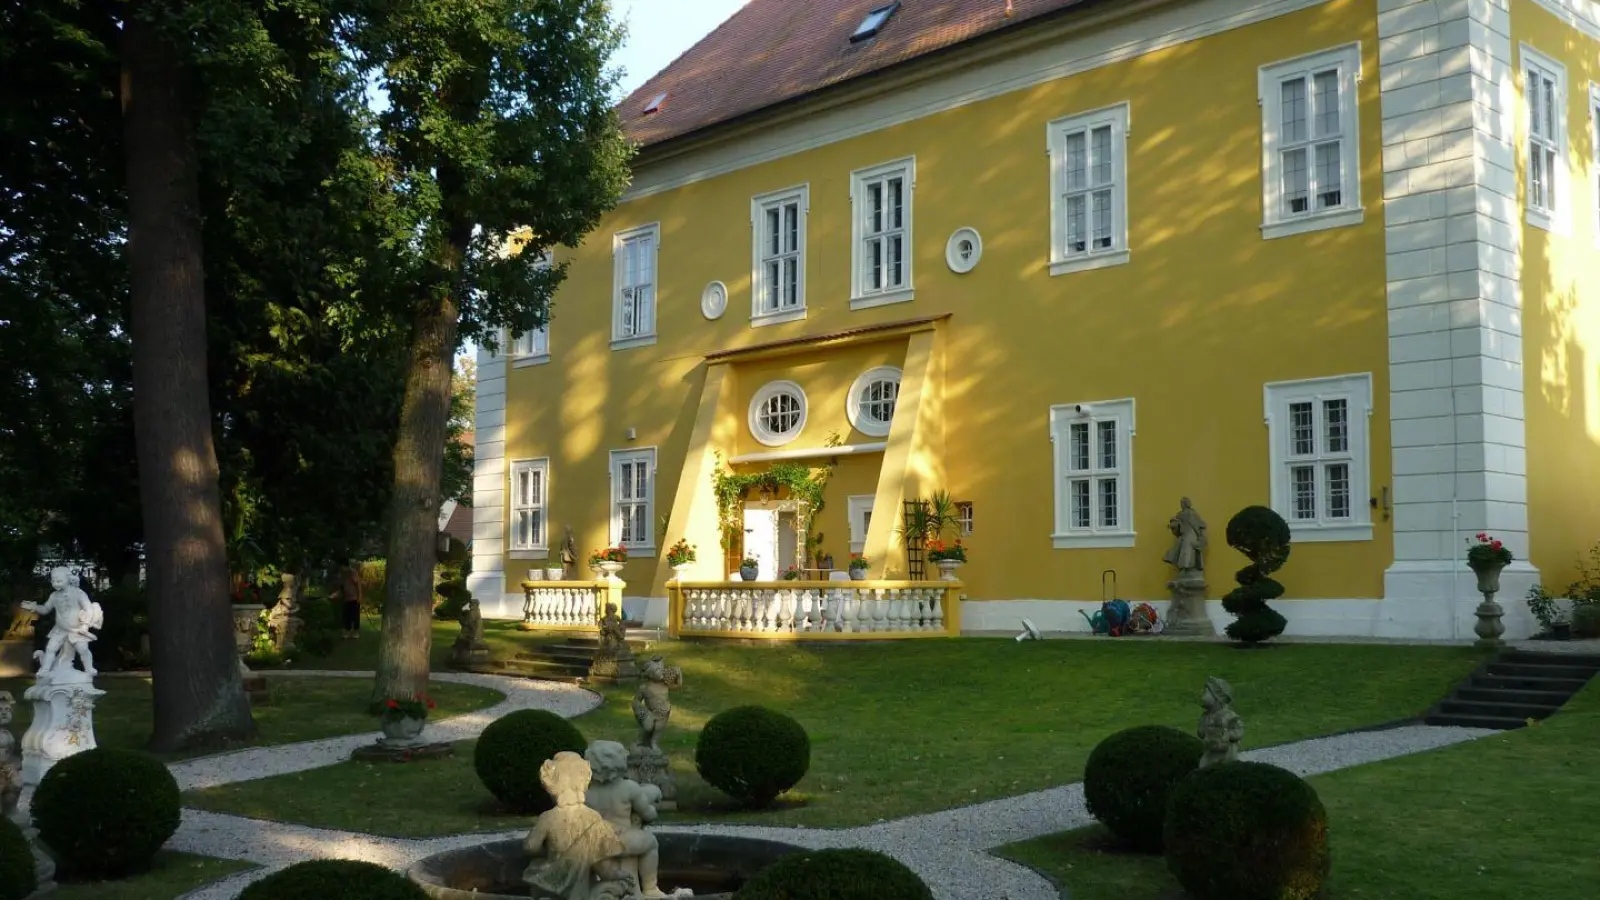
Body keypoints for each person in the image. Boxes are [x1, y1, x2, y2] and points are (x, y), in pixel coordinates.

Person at [22, 567, 103, 677]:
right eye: (53, 581)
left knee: (83, 649)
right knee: (51, 648)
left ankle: (89, 668)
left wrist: (85, 625)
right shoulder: (54, 596)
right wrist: (35, 607)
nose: (56, 584)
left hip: (77, 628)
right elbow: (46, 609)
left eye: (59, 581)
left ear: (68, 579)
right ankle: (45, 670)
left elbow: (89, 609)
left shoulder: (78, 593)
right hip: (60, 628)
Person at [335, 563, 363, 640]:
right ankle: (347, 632)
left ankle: (355, 633)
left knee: (355, 616)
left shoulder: (353, 572)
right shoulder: (342, 574)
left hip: (354, 598)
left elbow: (358, 584)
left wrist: (360, 596)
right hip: (346, 598)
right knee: (346, 616)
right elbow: (341, 587)